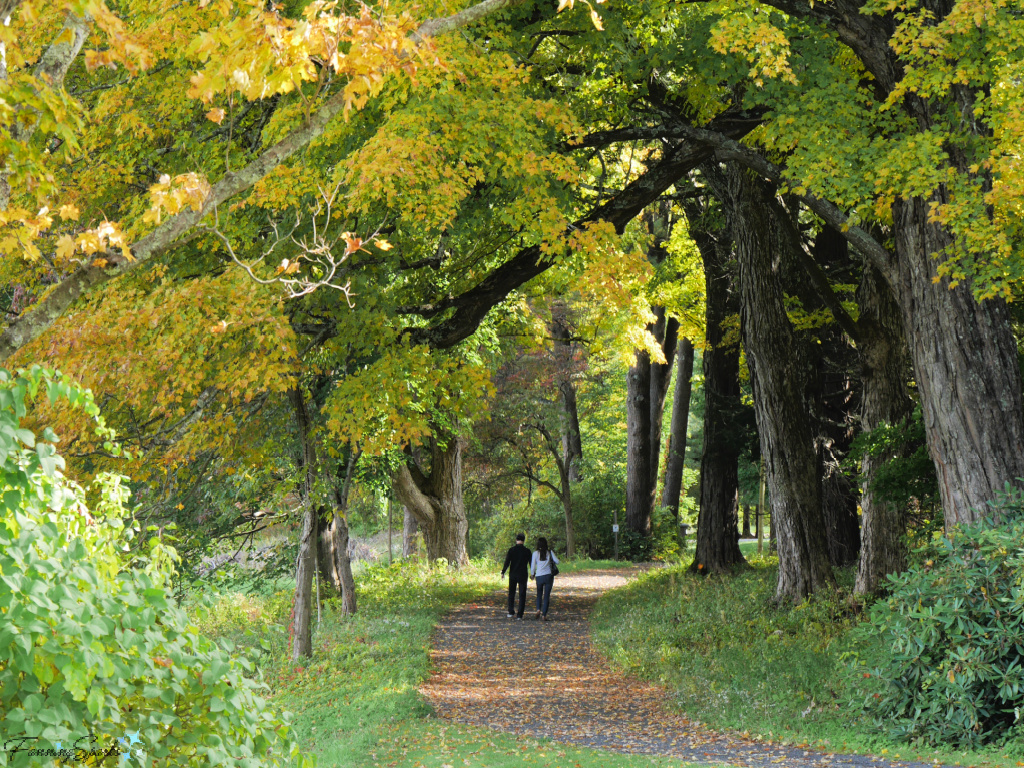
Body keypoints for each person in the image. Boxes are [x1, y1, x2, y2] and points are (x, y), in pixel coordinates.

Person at [501, 533, 531, 619]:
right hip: (523, 574)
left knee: (511, 593)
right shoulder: (527, 551)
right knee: (522, 594)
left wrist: (503, 572)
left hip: (513, 574)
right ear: (524, 540)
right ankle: (520, 614)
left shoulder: (511, 550)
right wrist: (533, 574)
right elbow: (531, 563)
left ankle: (511, 611)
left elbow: (507, 562)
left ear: (516, 540)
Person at [529, 536, 559, 621]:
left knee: (539, 594)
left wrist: (532, 575)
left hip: (539, 576)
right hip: (548, 576)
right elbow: (557, 561)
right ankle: (544, 615)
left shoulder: (535, 553)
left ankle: (538, 609)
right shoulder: (549, 552)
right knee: (546, 596)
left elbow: (533, 566)